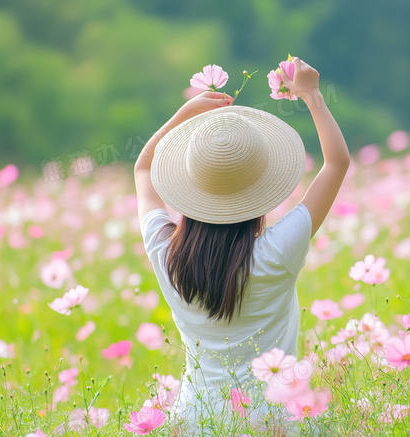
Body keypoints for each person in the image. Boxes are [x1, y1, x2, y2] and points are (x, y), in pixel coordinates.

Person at [133, 58, 349, 435]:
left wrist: (181, 117)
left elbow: (141, 169)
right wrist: (312, 94)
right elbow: (337, 163)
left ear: (189, 186)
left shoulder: (165, 253)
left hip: (196, 423)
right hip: (275, 423)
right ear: (260, 190)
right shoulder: (276, 253)